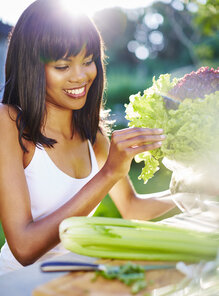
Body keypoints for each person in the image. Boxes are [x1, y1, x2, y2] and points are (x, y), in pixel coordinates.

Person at [0, 0, 175, 275]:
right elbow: (23, 247)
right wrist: (108, 174)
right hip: (14, 291)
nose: (80, 76)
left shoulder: (92, 134)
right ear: (32, 67)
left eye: (88, 60)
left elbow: (132, 208)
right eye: (62, 66)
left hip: (69, 283)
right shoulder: (8, 122)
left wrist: (193, 191)